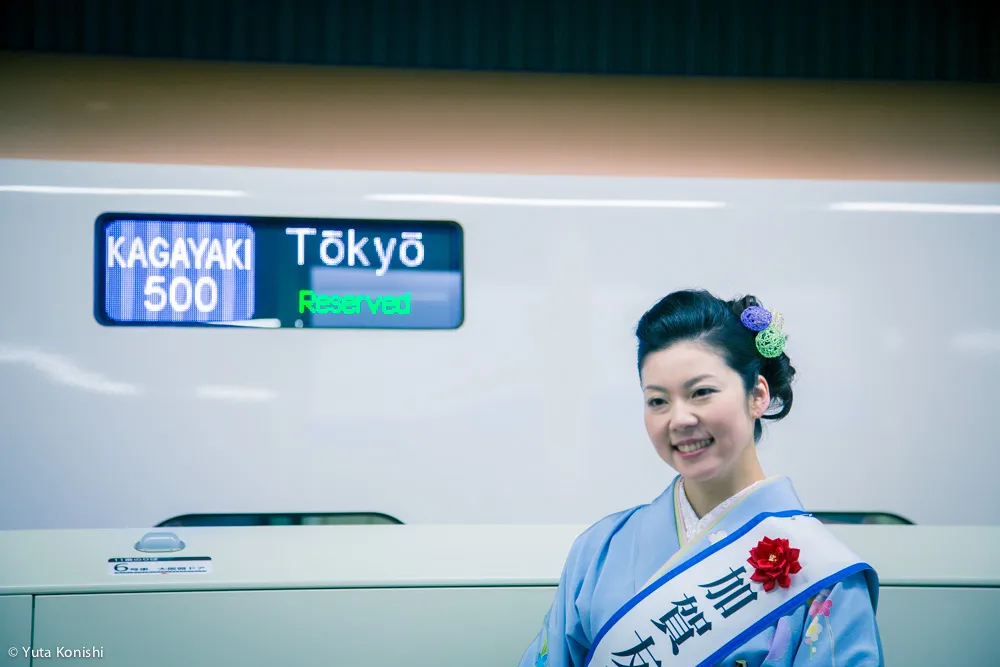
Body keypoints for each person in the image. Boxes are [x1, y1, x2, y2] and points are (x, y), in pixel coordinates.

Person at [519, 289, 882, 667]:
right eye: (658, 400)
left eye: (701, 392)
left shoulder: (824, 576)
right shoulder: (599, 549)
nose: (679, 420)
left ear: (757, 395)